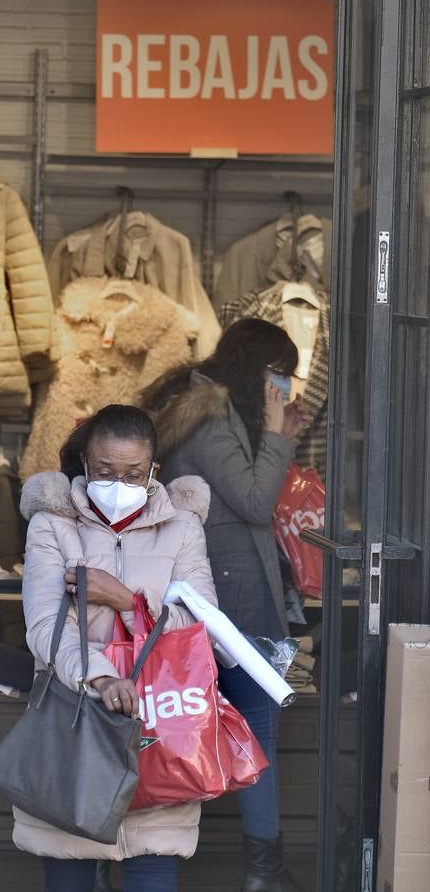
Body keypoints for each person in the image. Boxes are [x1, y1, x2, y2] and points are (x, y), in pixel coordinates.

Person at [15, 404, 219, 892]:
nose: (117, 483)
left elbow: (201, 626)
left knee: (152, 873)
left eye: (132, 474)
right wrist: (101, 676)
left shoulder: (183, 529)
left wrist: (125, 601)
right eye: (105, 471)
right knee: (69, 873)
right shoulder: (52, 525)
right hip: (74, 722)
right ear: (84, 465)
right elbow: (45, 625)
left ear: (153, 472)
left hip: (158, 728)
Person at [142, 318, 310, 892]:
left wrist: (277, 431)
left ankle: (262, 866)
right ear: (257, 369)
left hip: (225, 594)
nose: (285, 387)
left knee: (244, 727)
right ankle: (261, 869)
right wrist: (277, 432)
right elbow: (256, 502)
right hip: (225, 599)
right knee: (250, 728)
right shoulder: (212, 422)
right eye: (280, 376)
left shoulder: (218, 413)